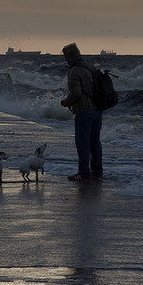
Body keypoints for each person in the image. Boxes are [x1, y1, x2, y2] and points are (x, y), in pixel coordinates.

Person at [60, 43, 103, 181]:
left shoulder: (74, 72)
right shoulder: (89, 67)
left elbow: (76, 93)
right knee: (95, 142)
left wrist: (67, 102)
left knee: (82, 143)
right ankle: (97, 172)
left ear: (69, 57)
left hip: (84, 111)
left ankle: (84, 173)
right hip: (97, 109)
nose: (66, 60)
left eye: (66, 57)